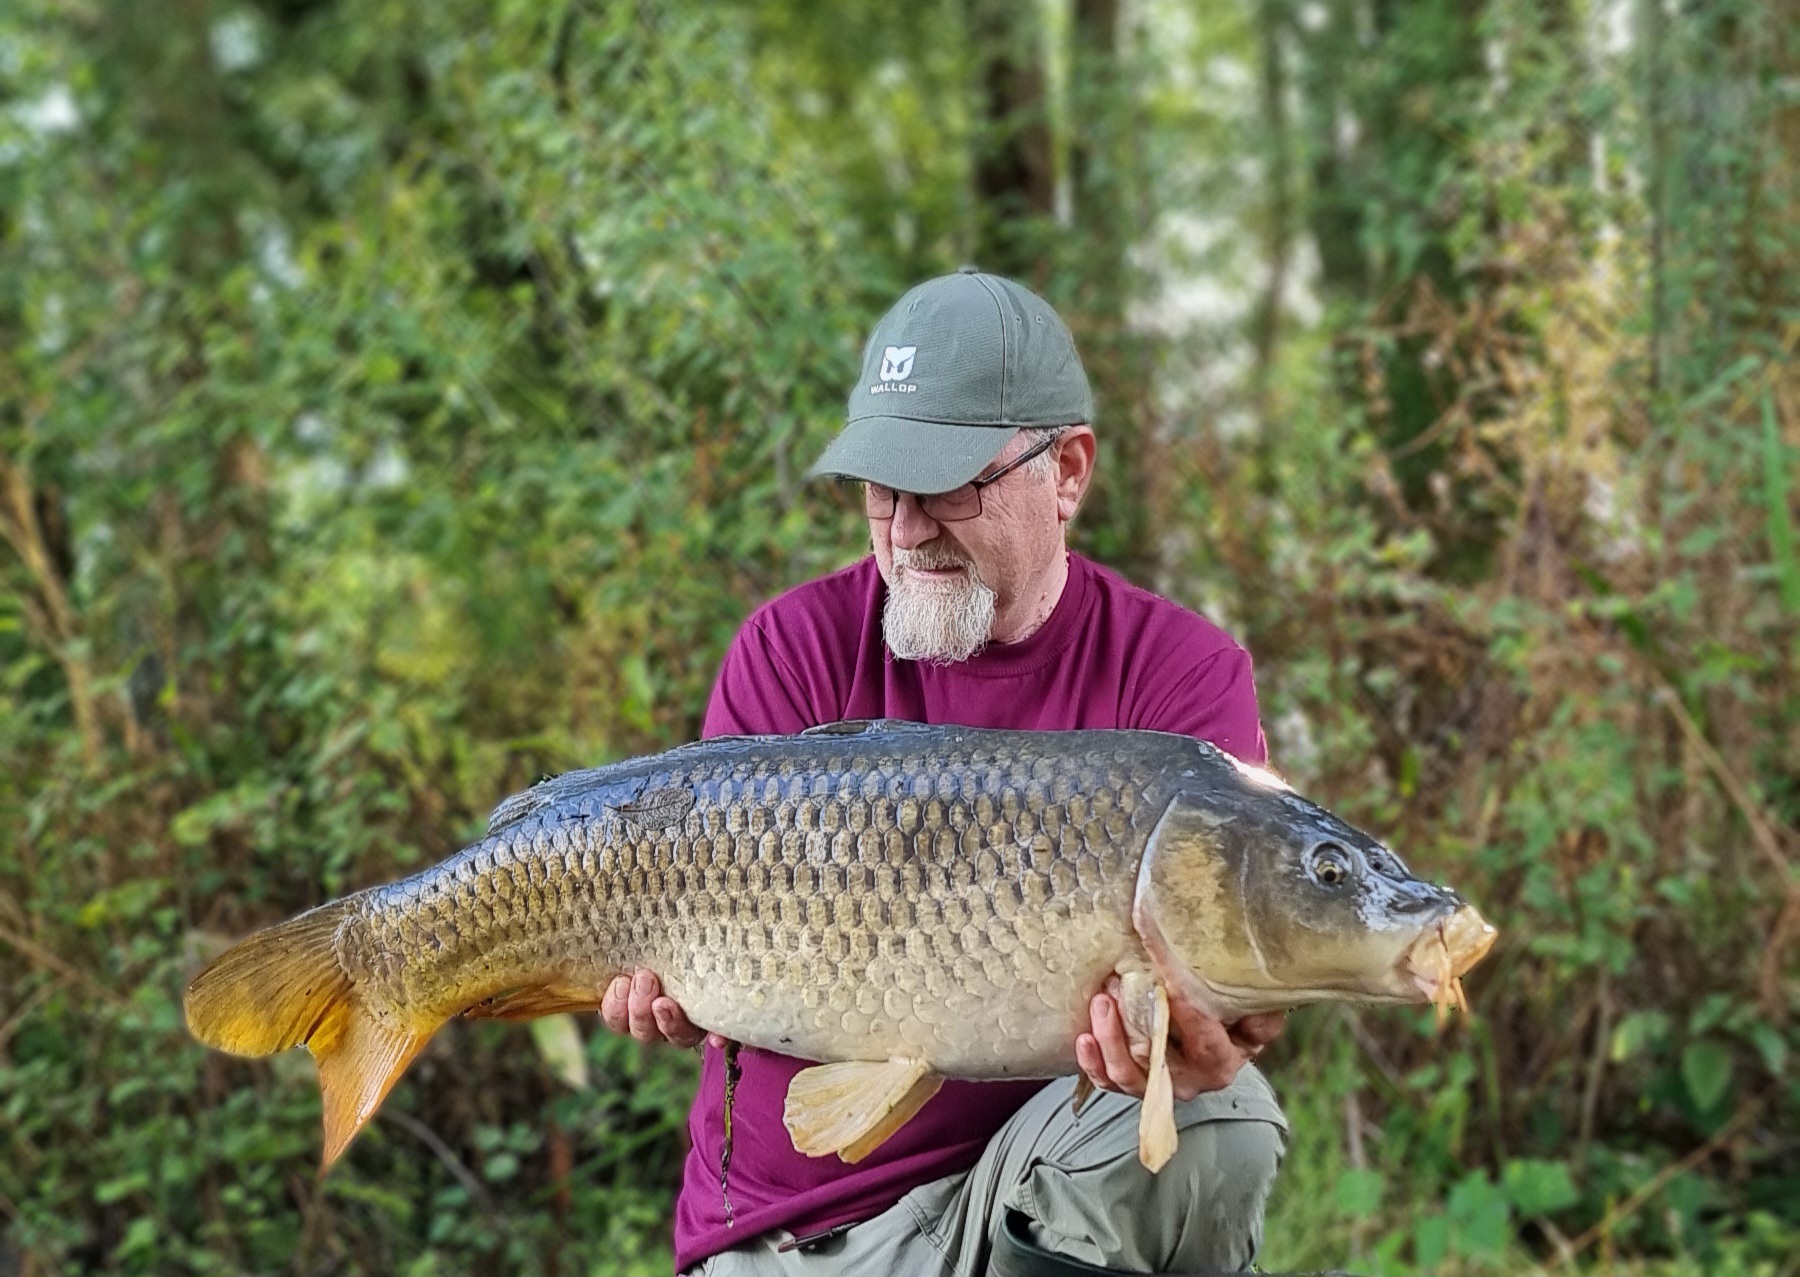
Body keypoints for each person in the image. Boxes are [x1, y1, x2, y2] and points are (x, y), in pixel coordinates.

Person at [599, 268, 1289, 1276]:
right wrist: (667, 984)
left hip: (1028, 1198)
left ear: (1067, 472)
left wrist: (1204, 1038)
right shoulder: (791, 648)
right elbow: (688, 949)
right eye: (884, 488)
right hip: (788, 1232)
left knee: (1220, 1119)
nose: (908, 527)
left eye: (950, 485)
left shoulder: (1179, 673)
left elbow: (1233, 973)